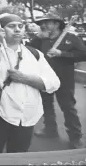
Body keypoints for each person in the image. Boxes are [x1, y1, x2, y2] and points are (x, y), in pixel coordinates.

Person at [0, 13, 60, 153]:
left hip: (28, 117)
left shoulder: (34, 54)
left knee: (19, 156)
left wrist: (25, 79)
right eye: (11, 26)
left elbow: (54, 83)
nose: (17, 30)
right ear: (1, 30)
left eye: (20, 26)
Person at [29, 13, 86, 149]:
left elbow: (83, 54)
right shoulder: (40, 38)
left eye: (47, 22)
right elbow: (28, 52)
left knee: (68, 107)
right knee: (46, 105)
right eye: (41, 23)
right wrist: (37, 38)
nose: (43, 25)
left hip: (64, 78)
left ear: (57, 24)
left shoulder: (71, 38)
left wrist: (62, 54)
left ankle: (75, 136)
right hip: (44, 77)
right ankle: (50, 129)